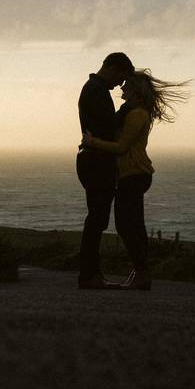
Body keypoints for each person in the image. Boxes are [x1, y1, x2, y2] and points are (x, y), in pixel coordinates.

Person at [83, 70, 189, 291]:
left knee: (125, 225)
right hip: (133, 174)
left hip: (134, 174)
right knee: (135, 226)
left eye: (126, 85)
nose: (121, 88)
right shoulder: (131, 112)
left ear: (134, 89)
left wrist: (92, 142)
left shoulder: (136, 114)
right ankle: (142, 272)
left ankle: (142, 272)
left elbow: (122, 148)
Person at [76, 52, 135, 289]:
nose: (119, 85)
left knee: (96, 218)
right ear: (112, 68)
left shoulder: (93, 88)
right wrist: (128, 108)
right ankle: (89, 275)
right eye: (121, 78)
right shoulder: (95, 90)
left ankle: (90, 274)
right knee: (96, 219)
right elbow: (108, 126)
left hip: (92, 159)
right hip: (97, 161)